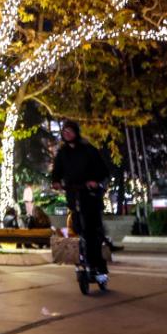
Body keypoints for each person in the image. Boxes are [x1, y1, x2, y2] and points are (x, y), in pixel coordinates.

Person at [51, 119, 110, 283]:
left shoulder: (88, 150)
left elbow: (103, 170)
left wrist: (95, 182)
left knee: (92, 230)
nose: (67, 135)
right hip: (73, 194)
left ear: (76, 133)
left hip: (90, 194)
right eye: (65, 132)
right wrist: (56, 181)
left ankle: (98, 264)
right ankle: (84, 259)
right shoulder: (62, 153)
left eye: (70, 131)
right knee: (77, 227)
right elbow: (57, 170)